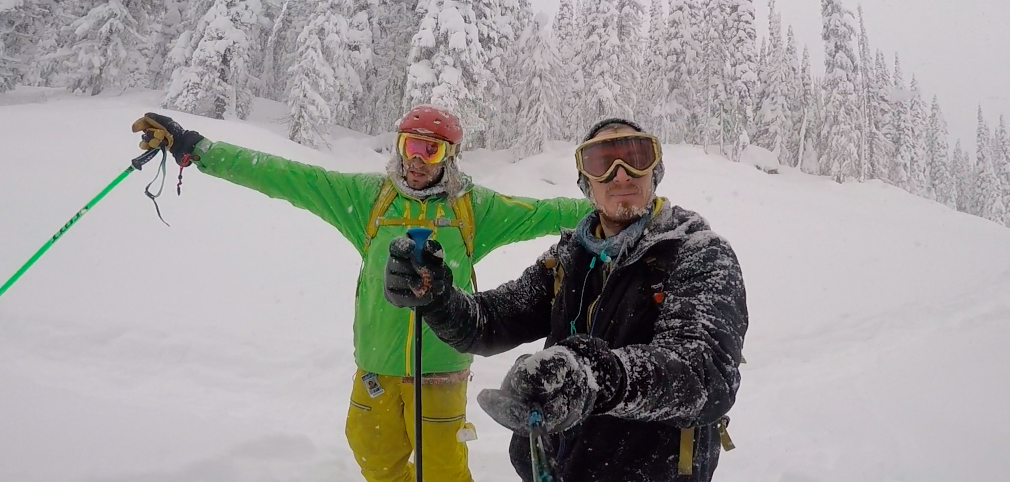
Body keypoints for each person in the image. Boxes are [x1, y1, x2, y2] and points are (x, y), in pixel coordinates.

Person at [131, 105, 591, 482]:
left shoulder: (474, 209)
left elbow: (546, 212)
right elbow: (285, 175)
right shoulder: (370, 199)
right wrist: (198, 149)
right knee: (372, 454)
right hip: (376, 364)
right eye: (410, 146)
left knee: (443, 473)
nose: (416, 159)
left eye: (430, 150)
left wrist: (613, 202)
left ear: (449, 156)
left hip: (441, 370)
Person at [383, 118, 748, 482]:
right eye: (601, 163)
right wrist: (437, 297)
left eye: (637, 156)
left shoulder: (698, 253)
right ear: (585, 183)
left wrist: (598, 375)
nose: (621, 175)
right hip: (556, 468)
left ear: (656, 171)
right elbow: (489, 321)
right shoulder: (570, 257)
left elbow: (703, 375)